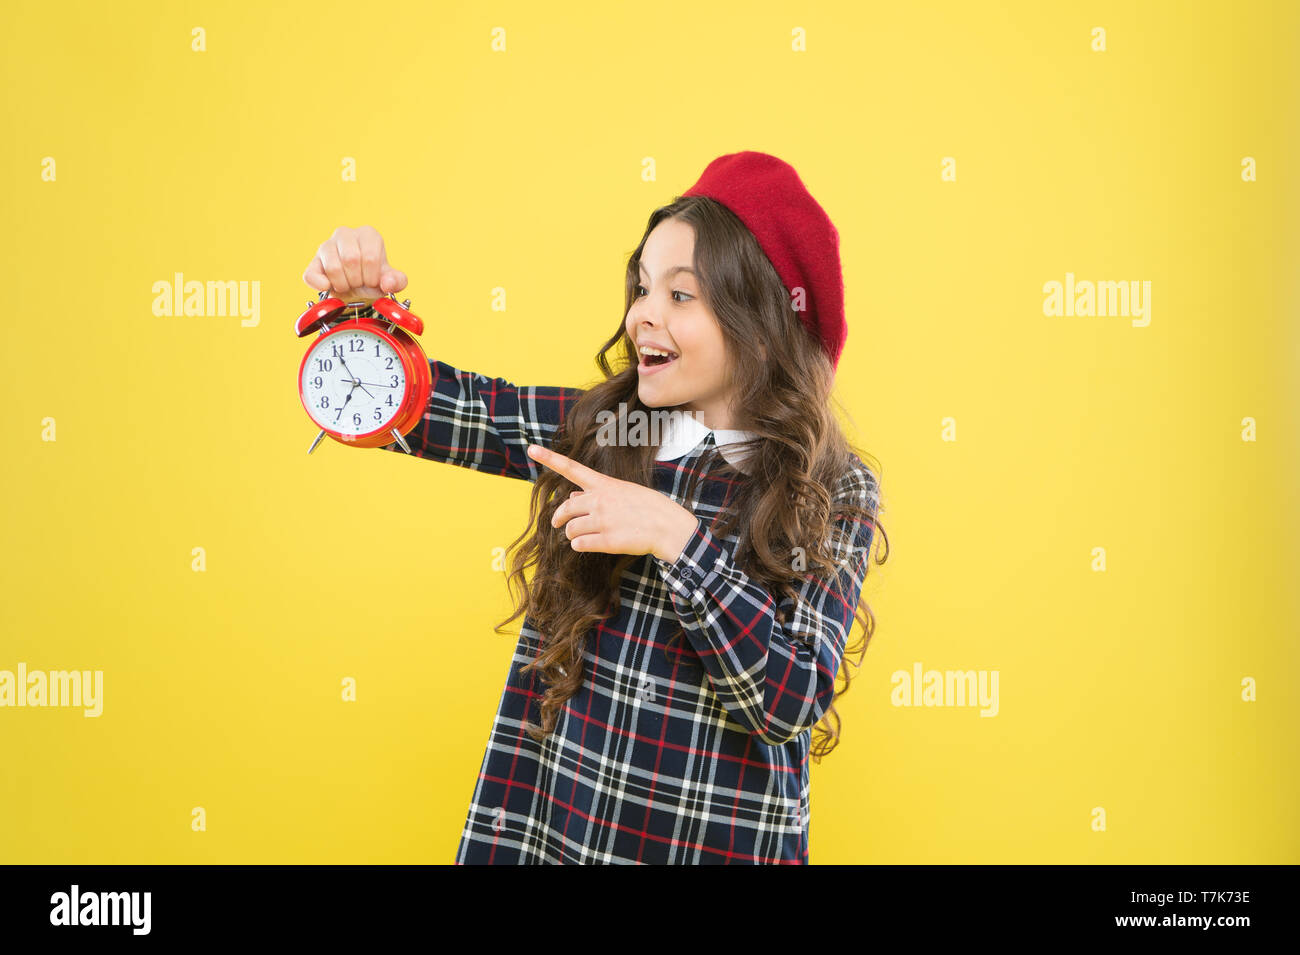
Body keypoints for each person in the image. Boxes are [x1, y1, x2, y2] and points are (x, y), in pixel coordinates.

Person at [302, 151, 888, 864]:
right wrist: (359, 313)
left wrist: (677, 538)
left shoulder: (831, 485)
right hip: (554, 838)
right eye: (642, 288)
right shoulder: (610, 429)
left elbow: (788, 700)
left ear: (762, 322)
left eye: (680, 295)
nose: (642, 315)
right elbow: (420, 411)